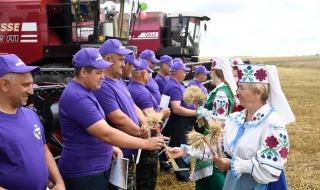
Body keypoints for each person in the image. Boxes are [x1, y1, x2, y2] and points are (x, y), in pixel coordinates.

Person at [169, 63, 295, 190]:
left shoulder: (272, 124)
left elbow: (271, 168)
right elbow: (218, 146)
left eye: (242, 88)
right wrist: (186, 151)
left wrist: (233, 165)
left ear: (258, 93)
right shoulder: (236, 118)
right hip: (235, 183)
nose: (237, 92)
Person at [58, 48, 168, 190]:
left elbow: (94, 129)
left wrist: (110, 147)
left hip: (96, 167)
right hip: (85, 171)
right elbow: (106, 132)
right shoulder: (77, 96)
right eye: (98, 73)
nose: (102, 77)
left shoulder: (87, 91)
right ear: (84, 72)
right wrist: (145, 143)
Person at [93, 39, 152, 190]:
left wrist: (145, 123)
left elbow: (133, 105)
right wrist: (140, 133)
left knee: (129, 185)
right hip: (119, 155)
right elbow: (118, 119)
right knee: (120, 187)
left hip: (129, 150)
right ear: (107, 59)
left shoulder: (119, 81)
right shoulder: (103, 85)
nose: (124, 64)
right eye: (120, 60)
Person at [0, 54, 65, 190]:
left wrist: (59, 182)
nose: (31, 91)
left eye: (31, 84)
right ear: (5, 85)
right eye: (25, 85)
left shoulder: (31, 115)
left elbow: (44, 149)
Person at [127, 58, 171, 190]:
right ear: (143, 74)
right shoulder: (142, 93)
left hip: (140, 138)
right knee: (148, 175)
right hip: (148, 140)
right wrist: (163, 114)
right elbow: (151, 119)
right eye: (149, 72)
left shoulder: (130, 88)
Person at [163, 59, 197, 182]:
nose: (186, 74)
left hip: (182, 122)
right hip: (179, 122)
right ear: (178, 72)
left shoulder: (176, 84)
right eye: (184, 72)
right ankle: (183, 176)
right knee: (181, 144)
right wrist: (195, 112)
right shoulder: (173, 87)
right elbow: (176, 109)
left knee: (181, 144)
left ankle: (183, 172)